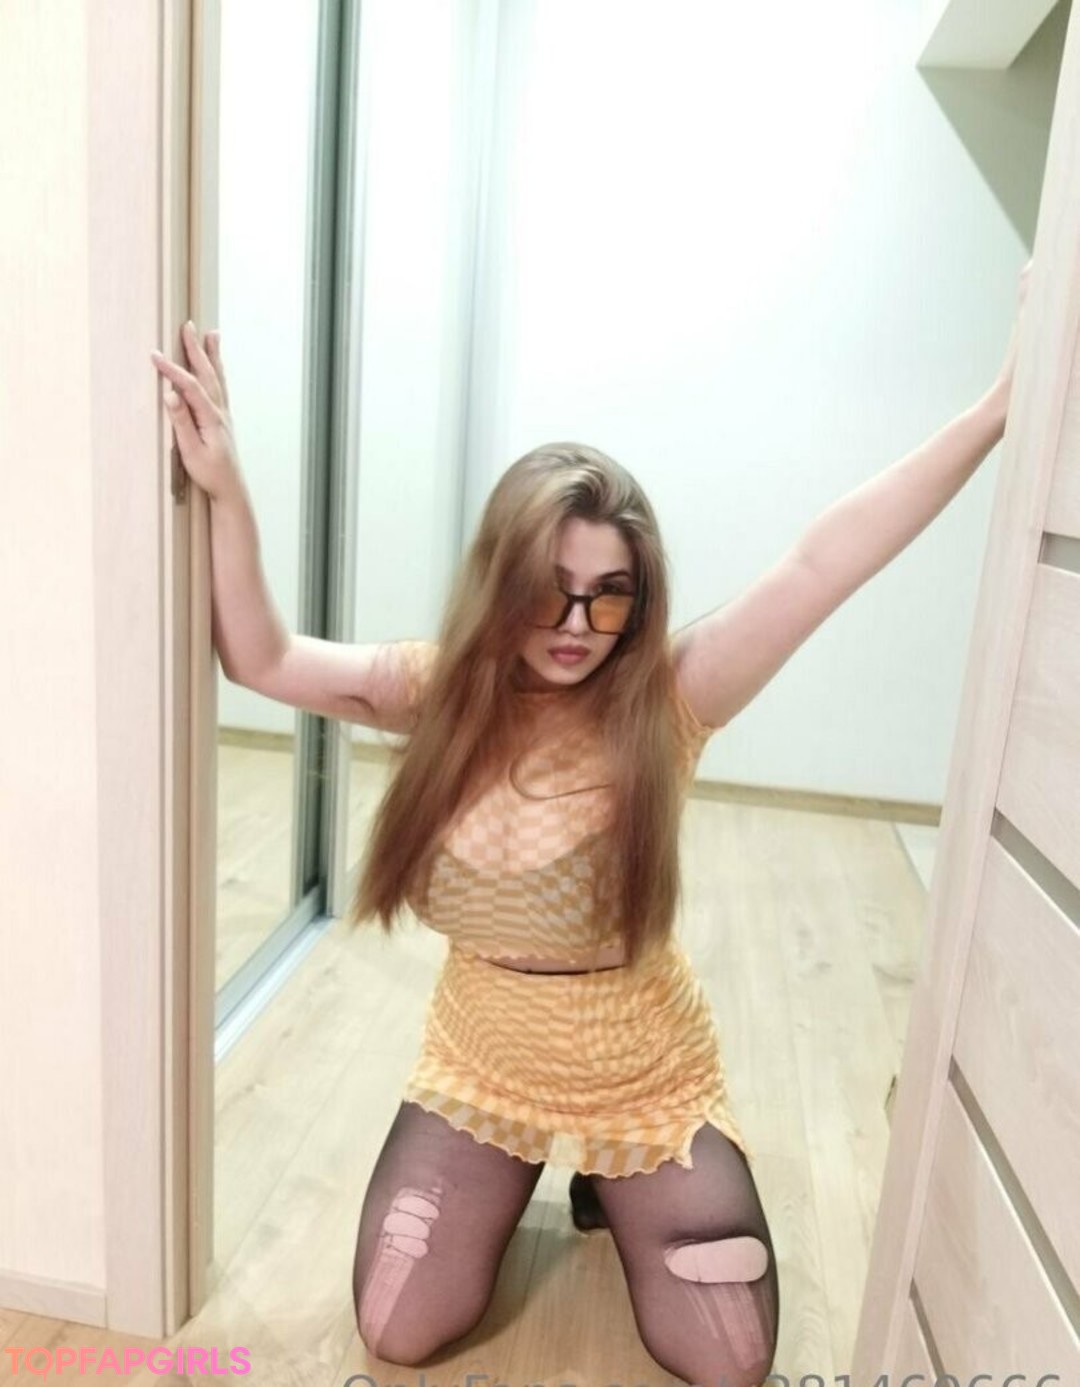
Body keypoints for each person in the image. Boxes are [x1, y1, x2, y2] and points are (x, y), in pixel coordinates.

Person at [149, 259, 1028, 1384]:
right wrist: (225, 486)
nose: (576, 623)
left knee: (728, 1355)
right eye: (549, 588)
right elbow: (261, 656)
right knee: (399, 1324)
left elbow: (822, 563)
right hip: (483, 1059)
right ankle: (534, 1174)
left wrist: (997, 411)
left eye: (609, 594)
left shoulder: (670, 698)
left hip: (642, 1069)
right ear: (501, 579)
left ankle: (614, 1183)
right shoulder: (437, 691)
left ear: (639, 597)